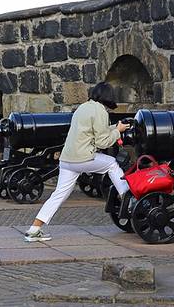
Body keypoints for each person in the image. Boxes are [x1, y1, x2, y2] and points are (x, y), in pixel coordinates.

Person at [24, 82, 131, 242]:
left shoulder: (83, 107)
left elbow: (94, 131)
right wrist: (117, 131)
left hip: (67, 159)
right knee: (112, 164)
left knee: (58, 195)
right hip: (83, 158)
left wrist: (114, 128)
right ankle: (127, 198)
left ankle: (34, 229)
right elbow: (102, 142)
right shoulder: (100, 111)